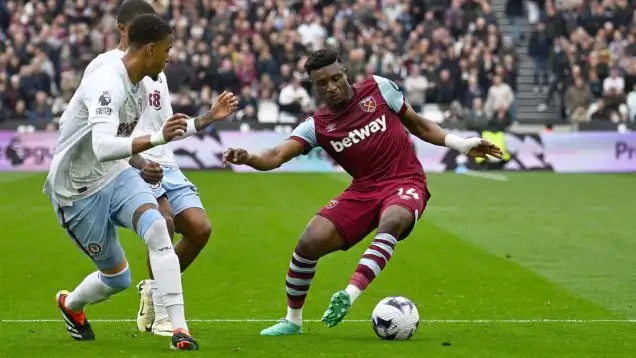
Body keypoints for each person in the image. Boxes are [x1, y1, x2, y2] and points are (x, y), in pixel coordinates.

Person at [222, 49, 502, 336]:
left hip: (405, 180)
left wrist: (461, 143)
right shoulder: (317, 126)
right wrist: (249, 158)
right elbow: (277, 154)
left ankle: (349, 295)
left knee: (392, 221)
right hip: (364, 190)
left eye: (335, 78)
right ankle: (292, 321)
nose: (331, 86)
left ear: (345, 72)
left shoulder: (379, 88)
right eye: (322, 83)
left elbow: (418, 125)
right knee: (309, 242)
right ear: (314, 87)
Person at [44, 14, 235, 350]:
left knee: (160, 228)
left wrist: (142, 159)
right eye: (167, 49)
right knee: (118, 279)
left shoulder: (142, 85)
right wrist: (155, 139)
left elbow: (125, 142)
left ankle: (177, 328)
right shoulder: (108, 81)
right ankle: (71, 304)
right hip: (76, 193)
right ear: (150, 49)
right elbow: (103, 145)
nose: (170, 56)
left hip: (117, 175)